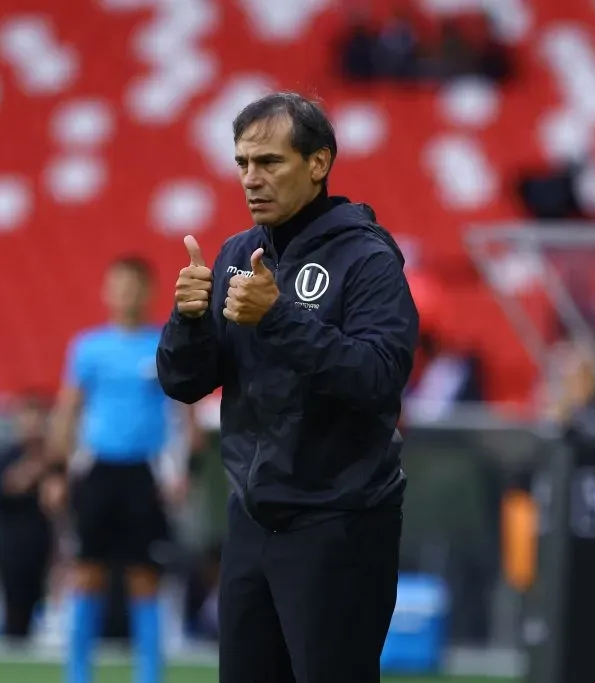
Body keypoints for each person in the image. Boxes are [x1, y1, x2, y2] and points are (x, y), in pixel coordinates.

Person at [157, 91, 419, 683]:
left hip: (340, 522)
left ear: (318, 163)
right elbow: (184, 383)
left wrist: (277, 318)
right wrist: (187, 320)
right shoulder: (232, 256)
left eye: (270, 162)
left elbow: (378, 378)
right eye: (243, 163)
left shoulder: (367, 260)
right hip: (251, 521)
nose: (252, 179)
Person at [49, 256, 197, 683]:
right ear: (106, 291)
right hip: (98, 471)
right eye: (118, 286)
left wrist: (183, 470)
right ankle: (78, 675)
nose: (126, 294)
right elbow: (68, 410)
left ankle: (148, 676)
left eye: (134, 286)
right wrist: (58, 472)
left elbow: (183, 411)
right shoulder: (88, 347)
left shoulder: (163, 343)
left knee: (144, 577)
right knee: (87, 572)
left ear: (149, 292)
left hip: (145, 476)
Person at [0, 393, 56, 641]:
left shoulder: (54, 460)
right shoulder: (2, 458)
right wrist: (12, 483)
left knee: (37, 608)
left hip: (44, 547)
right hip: (10, 546)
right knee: (11, 610)